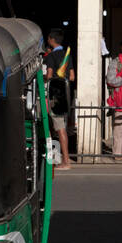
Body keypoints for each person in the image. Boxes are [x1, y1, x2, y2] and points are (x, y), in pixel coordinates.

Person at [43, 29, 75, 170]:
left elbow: (49, 76)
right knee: (62, 127)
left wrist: (43, 77)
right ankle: (63, 158)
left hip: (54, 95)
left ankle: (65, 161)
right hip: (65, 94)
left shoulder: (51, 56)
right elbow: (72, 77)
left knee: (56, 127)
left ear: (51, 39)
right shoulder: (67, 55)